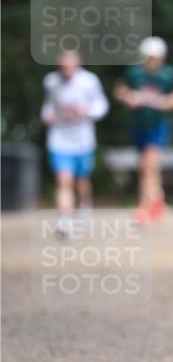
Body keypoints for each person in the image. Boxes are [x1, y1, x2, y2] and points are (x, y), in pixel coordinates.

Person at [114, 36, 173, 224]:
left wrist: (167, 103)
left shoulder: (168, 74)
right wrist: (130, 97)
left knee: (149, 166)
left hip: (158, 125)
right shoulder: (135, 73)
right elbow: (120, 91)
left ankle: (143, 209)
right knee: (147, 168)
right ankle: (157, 201)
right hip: (138, 125)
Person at [41, 48, 109, 236]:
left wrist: (86, 111)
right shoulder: (51, 82)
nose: (66, 70)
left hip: (83, 141)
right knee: (64, 180)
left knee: (81, 182)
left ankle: (84, 206)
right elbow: (47, 107)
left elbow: (102, 106)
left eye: (70, 67)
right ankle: (64, 222)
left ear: (77, 65)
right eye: (63, 67)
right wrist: (47, 116)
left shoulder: (89, 81)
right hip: (59, 140)